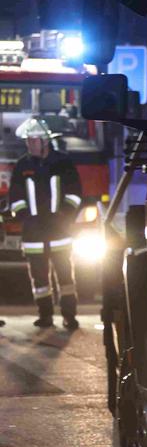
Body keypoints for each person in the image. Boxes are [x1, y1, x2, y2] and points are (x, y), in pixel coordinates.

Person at [7, 117, 84, 329]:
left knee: (65, 276)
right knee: (39, 280)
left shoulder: (62, 163)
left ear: (44, 141)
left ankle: (69, 315)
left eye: (33, 140)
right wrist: (25, 218)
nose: (29, 144)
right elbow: (16, 196)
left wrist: (64, 216)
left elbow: (75, 193)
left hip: (59, 230)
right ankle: (45, 316)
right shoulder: (23, 166)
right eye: (28, 141)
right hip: (33, 233)